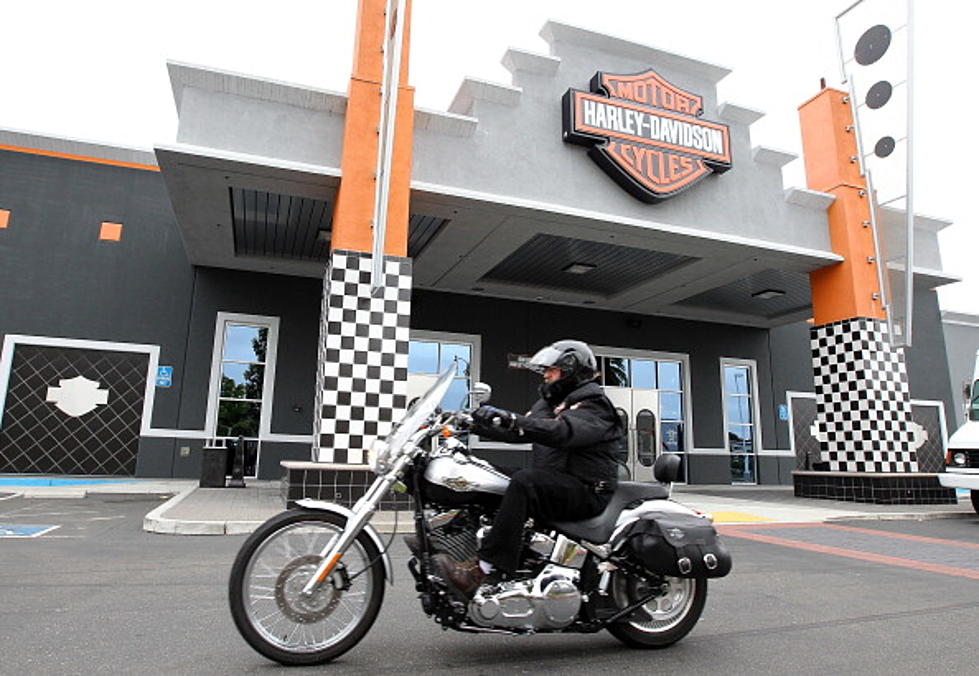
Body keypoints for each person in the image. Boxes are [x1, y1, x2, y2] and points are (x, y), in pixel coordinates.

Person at [433, 339, 624, 598]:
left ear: (571, 371)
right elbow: (520, 432)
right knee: (486, 473)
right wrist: (472, 424)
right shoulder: (551, 403)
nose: (546, 375)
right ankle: (445, 542)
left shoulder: (594, 404)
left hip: (586, 489)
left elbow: (562, 431)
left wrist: (512, 419)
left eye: (552, 370)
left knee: (525, 482)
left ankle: (484, 569)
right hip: (556, 481)